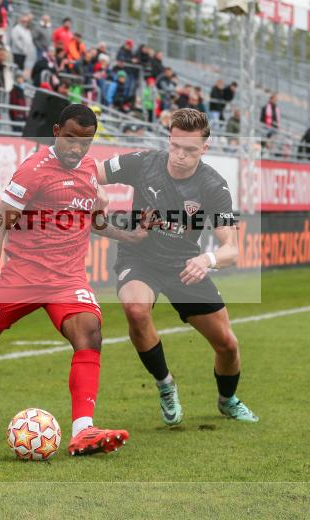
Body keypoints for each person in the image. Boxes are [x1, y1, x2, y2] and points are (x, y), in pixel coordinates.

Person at [0, 104, 138, 456]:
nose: (77, 148)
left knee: (89, 333)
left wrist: (131, 237)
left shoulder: (89, 169)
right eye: (71, 139)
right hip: (22, 277)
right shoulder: (33, 171)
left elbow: (94, 222)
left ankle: (83, 431)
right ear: (56, 131)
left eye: (86, 141)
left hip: (67, 279)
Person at [96, 108, 258, 426]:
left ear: (205, 148)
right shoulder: (142, 162)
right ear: (169, 139)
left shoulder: (213, 186)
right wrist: (96, 190)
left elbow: (232, 250)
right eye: (176, 146)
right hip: (139, 258)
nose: (180, 156)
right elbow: (89, 171)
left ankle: (228, 400)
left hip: (186, 266)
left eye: (190, 150)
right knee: (135, 309)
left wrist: (206, 260)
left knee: (227, 344)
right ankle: (165, 385)